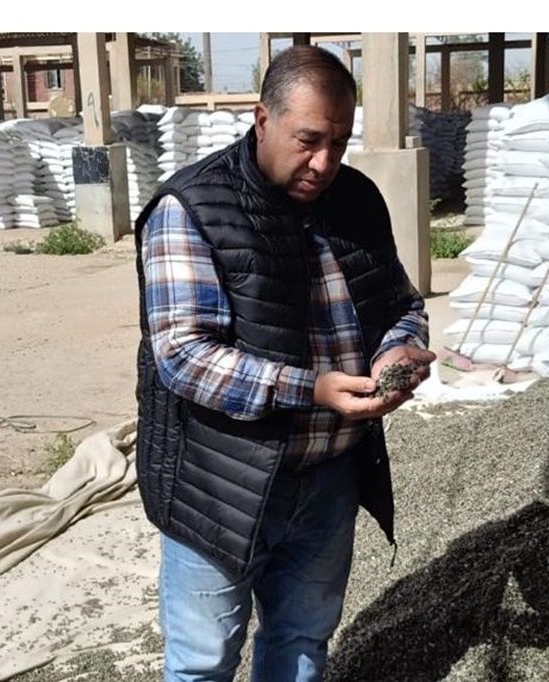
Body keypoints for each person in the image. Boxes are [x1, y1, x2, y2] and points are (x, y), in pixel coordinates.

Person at [132, 44, 435, 682]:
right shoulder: (192, 208)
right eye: (308, 140)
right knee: (203, 662)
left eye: (339, 143)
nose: (324, 163)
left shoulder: (356, 199)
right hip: (220, 485)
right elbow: (184, 356)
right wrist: (313, 389)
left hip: (329, 479)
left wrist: (399, 348)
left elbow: (401, 304)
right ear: (262, 119)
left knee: (301, 644)